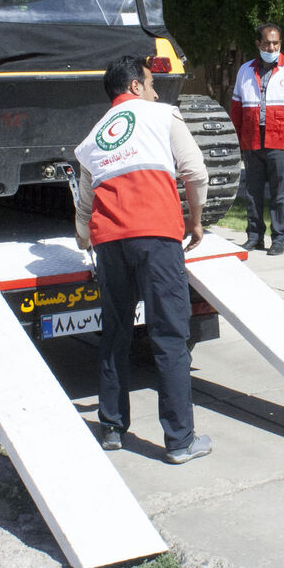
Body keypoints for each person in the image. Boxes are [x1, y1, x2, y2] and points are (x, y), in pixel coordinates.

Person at [74, 55, 212, 464]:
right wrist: (198, 222)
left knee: (115, 333)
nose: (155, 90)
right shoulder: (162, 115)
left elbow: (85, 206)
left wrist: (85, 240)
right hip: (156, 236)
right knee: (169, 334)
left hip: (110, 243)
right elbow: (196, 172)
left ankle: (113, 428)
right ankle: (179, 441)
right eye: (151, 83)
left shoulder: (93, 138)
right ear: (134, 86)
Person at [229, 23, 284, 256]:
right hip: (251, 138)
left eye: (276, 43)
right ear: (258, 44)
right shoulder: (245, 70)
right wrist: (236, 136)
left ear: (281, 43)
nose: (271, 47)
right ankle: (254, 236)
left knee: (280, 191)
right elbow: (237, 106)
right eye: (267, 43)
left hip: (279, 137)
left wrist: (282, 115)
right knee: (253, 191)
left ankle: (279, 238)